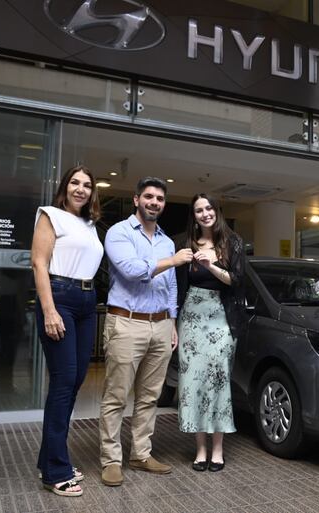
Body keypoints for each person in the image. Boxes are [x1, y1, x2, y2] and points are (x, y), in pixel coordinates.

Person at [99, 177, 193, 487]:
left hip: (161, 324)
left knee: (150, 397)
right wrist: (173, 260)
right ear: (137, 199)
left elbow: (171, 285)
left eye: (160, 199)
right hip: (126, 321)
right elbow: (132, 270)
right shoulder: (119, 232)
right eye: (149, 197)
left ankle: (140, 454)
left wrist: (173, 321)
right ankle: (111, 459)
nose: (154, 202)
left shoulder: (166, 240)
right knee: (116, 396)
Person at [31, 165, 104, 497]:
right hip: (60, 297)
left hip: (88, 303)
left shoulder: (89, 225)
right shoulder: (50, 215)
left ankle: (50, 458)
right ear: (65, 186)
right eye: (75, 182)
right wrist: (49, 309)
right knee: (63, 382)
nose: (81, 189)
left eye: (87, 185)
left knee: (74, 382)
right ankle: (56, 471)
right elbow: (39, 263)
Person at [176, 193, 245, 472]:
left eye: (209, 208)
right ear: (193, 216)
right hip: (191, 317)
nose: (205, 214)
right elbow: (178, 285)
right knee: (193, 382)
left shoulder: (233, 242)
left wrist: (211, 266)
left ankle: (217, 449)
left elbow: (237, 282)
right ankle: (200, 449)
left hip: (221, 319)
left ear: (217, 210)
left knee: (218, 382)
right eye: (198, 210)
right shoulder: (186, 244)